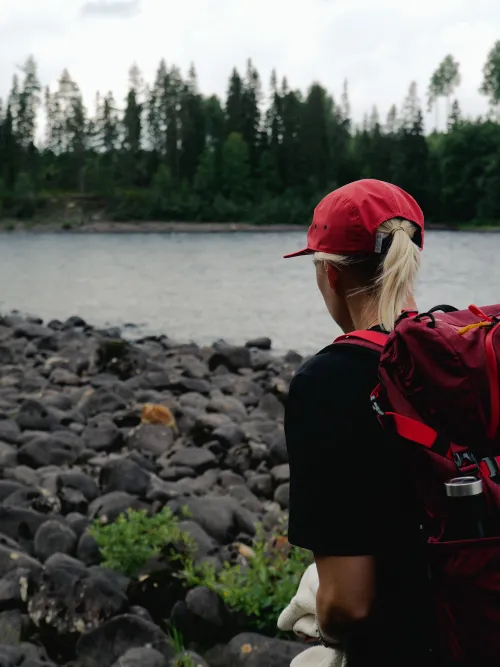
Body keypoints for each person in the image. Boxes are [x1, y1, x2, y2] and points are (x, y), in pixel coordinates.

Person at [283, 179, 434, 667]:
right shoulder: (460, 358)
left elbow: (349, 601)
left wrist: (317, 611)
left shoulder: (327, 381)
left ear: (329, 274)